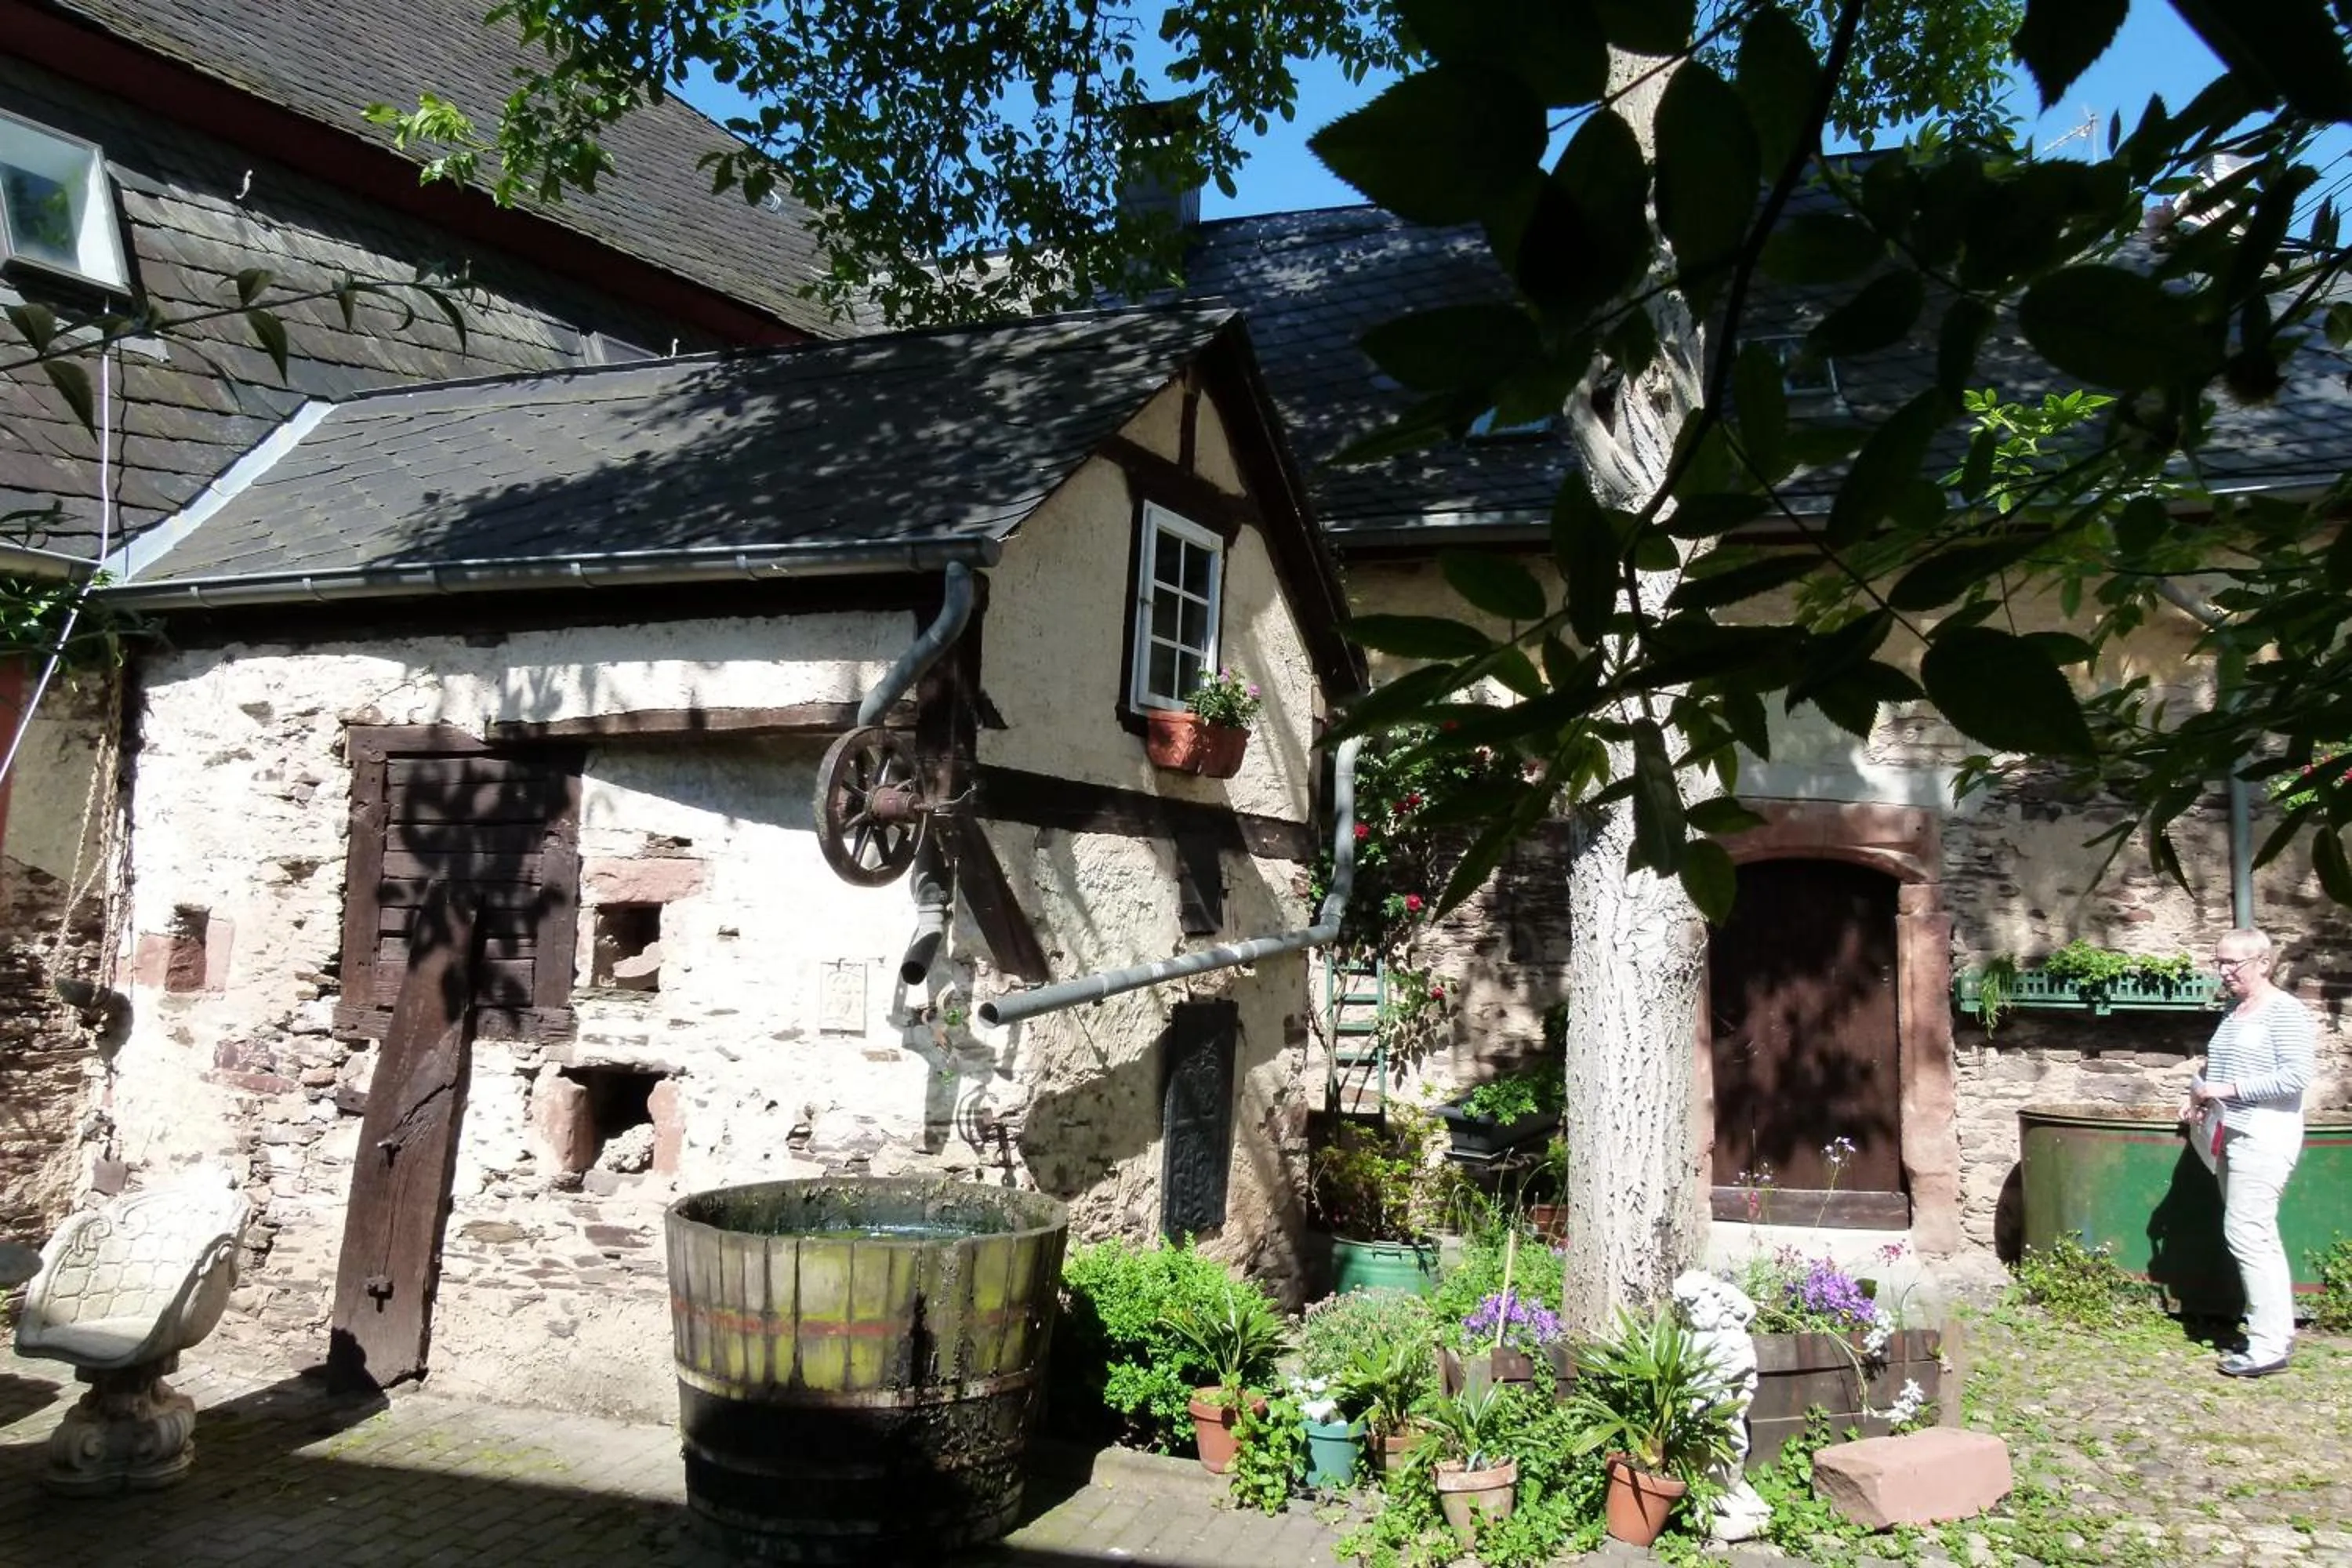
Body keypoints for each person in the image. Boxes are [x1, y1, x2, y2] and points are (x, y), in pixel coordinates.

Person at [2182, 927, 2316, 1378]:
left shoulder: (2285, 1013)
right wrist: (2200, 1095)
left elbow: (2295, 1077)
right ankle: (2274, 1332)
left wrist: (2229, 1089)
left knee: (2248, 1234)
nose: (2222, 972)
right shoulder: (2234, 1012)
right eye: (2218, 962)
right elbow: (2220, 1069)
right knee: (2255, 1234)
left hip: (2265, 1135)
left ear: (2263, 962)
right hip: (2231, 1133)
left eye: (2231, 964)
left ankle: (2268, 1344)